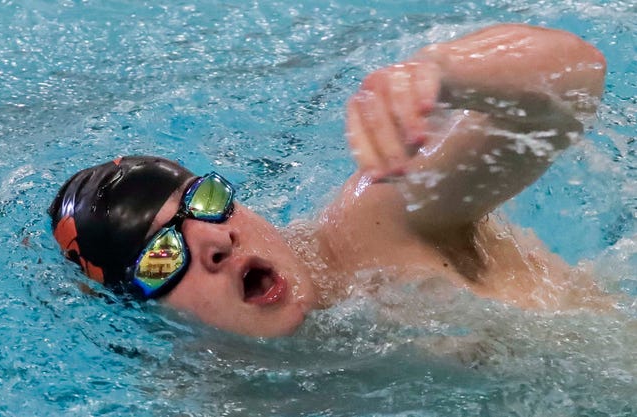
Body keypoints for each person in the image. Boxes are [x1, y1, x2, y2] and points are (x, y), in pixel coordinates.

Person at [48, 24, 608, 337]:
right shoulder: (220, 396)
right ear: (141, 315)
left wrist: (438, 74)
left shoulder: (378, 223)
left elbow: (576, 80)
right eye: (162, 257)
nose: (217, 241)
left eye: (206, 201)